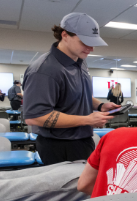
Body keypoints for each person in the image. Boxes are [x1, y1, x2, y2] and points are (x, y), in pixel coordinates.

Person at [23, 12, 120, 165]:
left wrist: (100, 105)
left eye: (93, 43)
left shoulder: (80, 61)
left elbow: (77, 93)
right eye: (85, 42)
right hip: (59, 146)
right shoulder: (45, 70)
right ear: (65, 35)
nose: (91, 49)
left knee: (85, 188)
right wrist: (87, 119)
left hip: (82, 140)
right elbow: (35, 117)